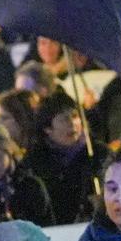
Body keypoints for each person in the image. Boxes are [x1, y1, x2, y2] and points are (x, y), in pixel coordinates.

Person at [23, 92, 96, 225]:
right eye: (64, 119)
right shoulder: (35, 162)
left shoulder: (97, 154)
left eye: (75, 116)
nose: (72, 124)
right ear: (47, 128)